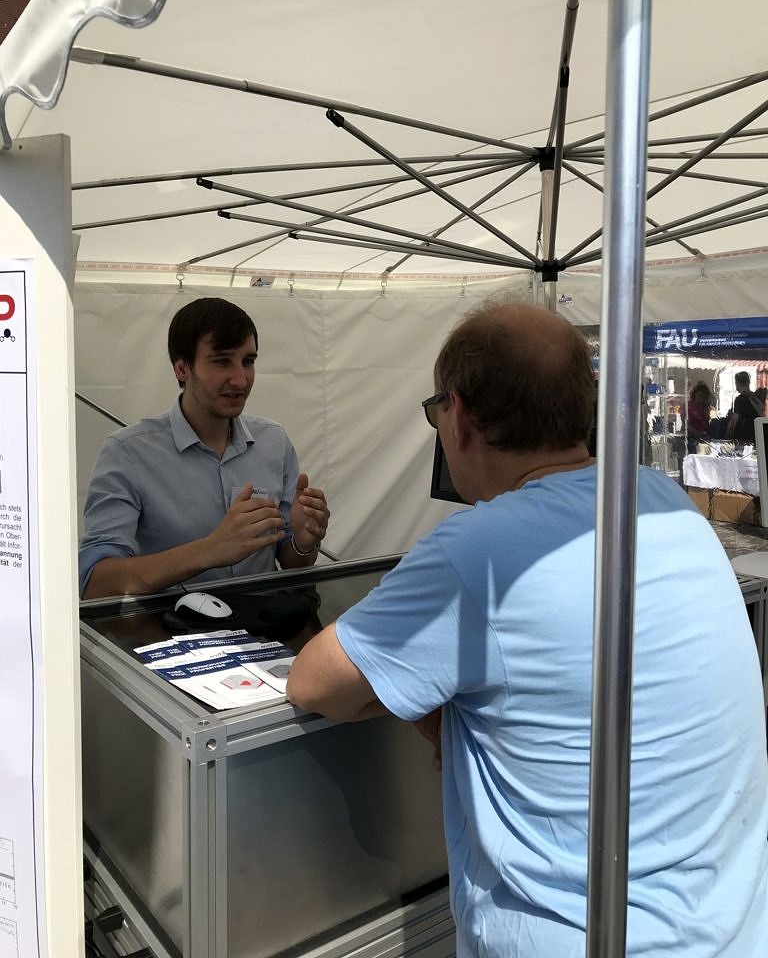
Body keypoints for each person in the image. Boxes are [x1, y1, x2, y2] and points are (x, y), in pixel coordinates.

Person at [287, 300, 768, 958]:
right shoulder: (658, 498)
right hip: (733, 930)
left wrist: (431, 696)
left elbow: (316, 682)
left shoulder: (478, 548)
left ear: (457, 417)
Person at [79, 297, 329, 599]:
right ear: (182, 368)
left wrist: (303, 542)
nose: (240, 379)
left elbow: (291, 561)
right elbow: (96, 583)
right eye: (222, 361)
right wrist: (210, 549)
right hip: (171, 637)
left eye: (248, 361)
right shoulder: (127, 454)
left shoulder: (274, 443)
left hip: (266, 632)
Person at [726, 369, 764, 444]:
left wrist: (728, 434)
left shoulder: (740, 399)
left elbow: (735, 419)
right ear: (748, 382)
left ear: (737, 383)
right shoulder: (755, 398)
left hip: (744, 437)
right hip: (757, 434)